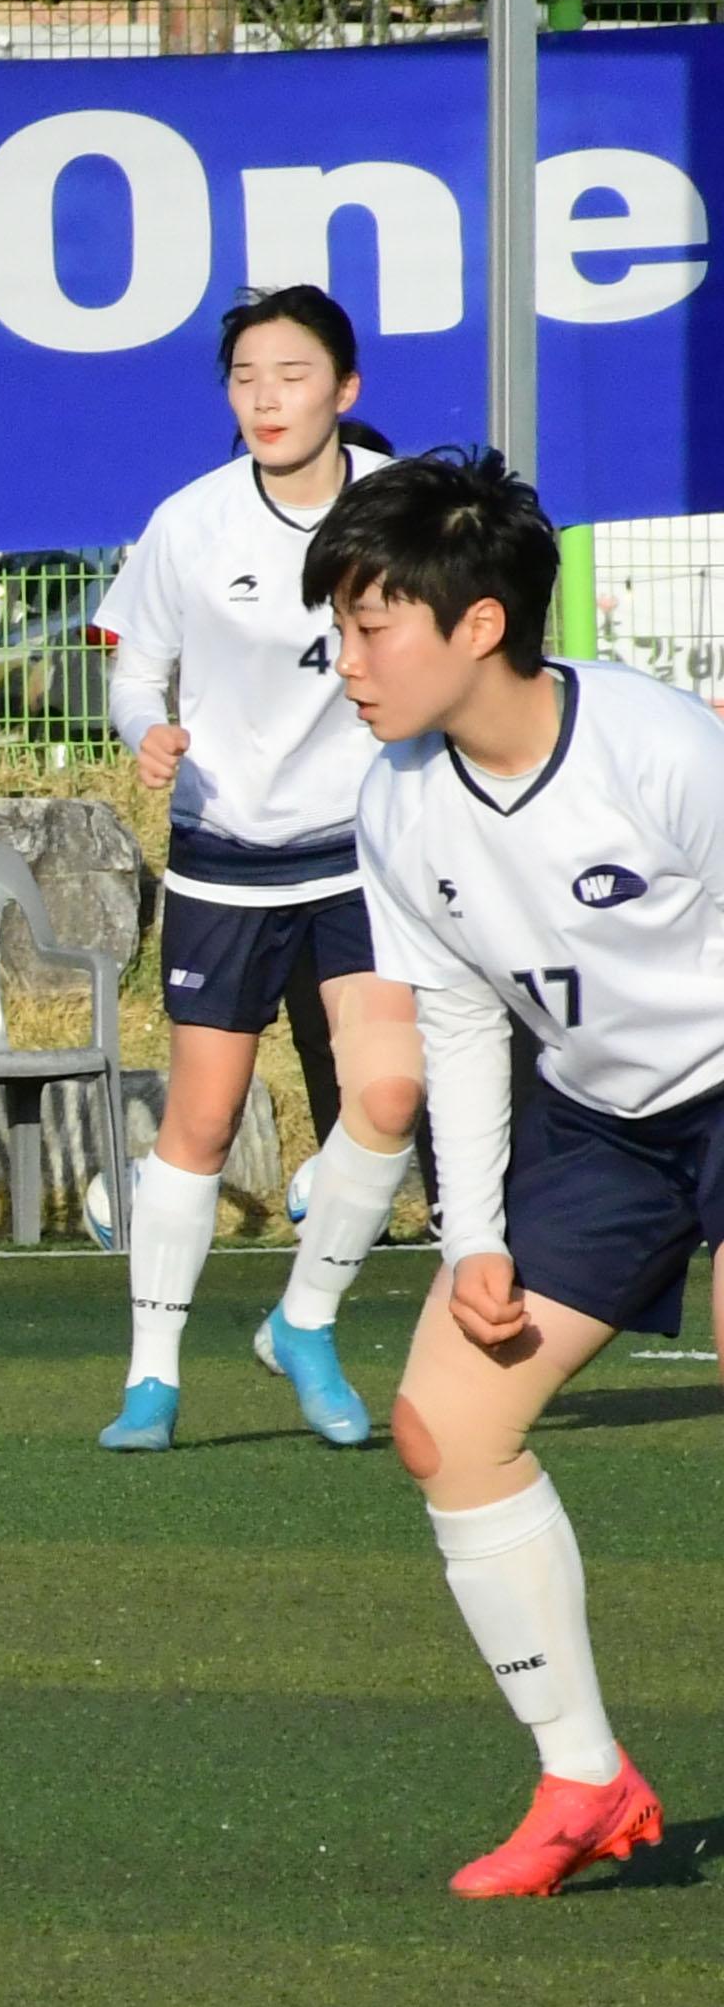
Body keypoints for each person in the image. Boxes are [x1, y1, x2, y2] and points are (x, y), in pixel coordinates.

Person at [321, 448, 714, 1896]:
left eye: (371, 627)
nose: (347, 661)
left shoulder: (660, 746)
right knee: (447, 1423)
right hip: (601, 1126)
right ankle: (586, 1779)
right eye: (339, 631)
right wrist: (469, 1235)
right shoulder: (398, 799)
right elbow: (466, 1017)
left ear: (477, 624)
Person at [93, 285, 421, 1452]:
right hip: (226, 856)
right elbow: (136, 668)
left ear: (347, 389)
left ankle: (307, 1320)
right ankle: (153, 1379)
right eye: (245, 379)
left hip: (368, 848)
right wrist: (149, 730)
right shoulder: (191, 519)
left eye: (291, 374)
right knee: (202, 1116)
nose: (266, 398)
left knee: (387, 1095)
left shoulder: (406, 508)